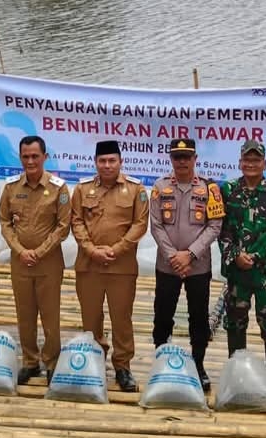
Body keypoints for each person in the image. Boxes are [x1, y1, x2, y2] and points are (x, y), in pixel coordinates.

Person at [70, 139, 149, 393]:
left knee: (121, 318)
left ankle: (122, 367)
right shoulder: (81, 189)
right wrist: (92, 250)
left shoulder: (136, 189)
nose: (107, 165)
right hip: (89, 266)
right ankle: (93, 362)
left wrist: (117, 249)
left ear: (120, 162)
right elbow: (76, 221)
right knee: (91, 317)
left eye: (111, 160)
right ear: (95, 162)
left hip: (121, 267)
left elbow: (140, 224)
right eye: (102, 161)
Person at [149, 138, 223, 391]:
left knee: (199, 318)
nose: (182, 162)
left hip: (197, 266)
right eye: (177, 157)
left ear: (195, 159)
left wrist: (189, 255)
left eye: (186, 157)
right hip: (167, 264)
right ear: (171, 159)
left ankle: (198, 365)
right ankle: (160, 360)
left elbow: (215, 226)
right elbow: (156, 225)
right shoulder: (160, 187)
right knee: (162, 315)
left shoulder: (210, 189)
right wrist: (174, 256)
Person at [0, 136, 71, 385]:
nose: (30, 161)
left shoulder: (59, 188)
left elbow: (63, 226)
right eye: (25, 156)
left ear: (44, 157)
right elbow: (5, 222)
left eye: (35, 156)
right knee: (25, 315)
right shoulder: (11, 187)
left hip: (48, 264)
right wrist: (20, 250)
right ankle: (30, 362)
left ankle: (51, 362)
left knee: (50, 316)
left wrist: (39, 252)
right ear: (20, 158)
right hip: (20, 263)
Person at [219, 139, 266, 384]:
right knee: (235, 321)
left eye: (256, 160)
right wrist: (236, 255)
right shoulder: (228, 190)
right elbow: (222, 228)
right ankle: (236, 376)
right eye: (247, 160)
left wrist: (255, 256)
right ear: (240, 162)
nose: (251, 164)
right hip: (237, 270)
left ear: (264, 163)